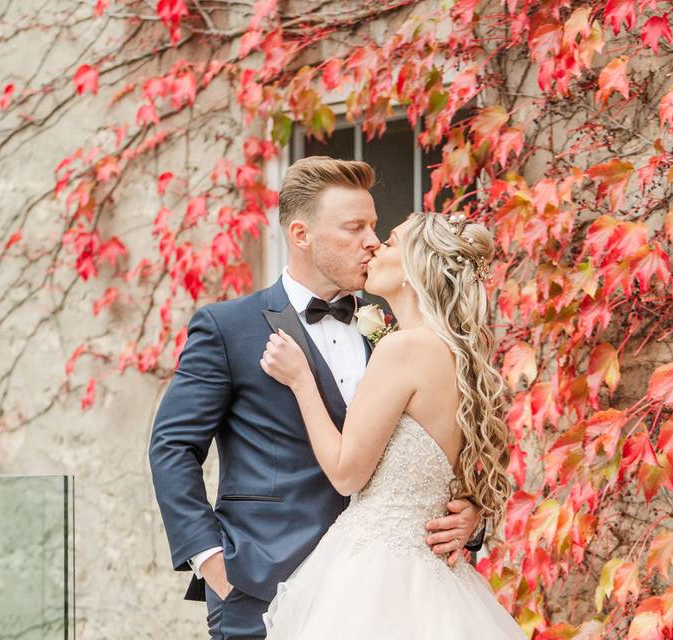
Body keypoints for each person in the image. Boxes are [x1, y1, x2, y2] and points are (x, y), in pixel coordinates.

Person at [148, 157, 485, 640]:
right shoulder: (228, 328)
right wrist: (212, 563)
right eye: (354, 227)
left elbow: (447, 444)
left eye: (374, 226)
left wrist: (469, 516)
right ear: (301, 234)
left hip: (386, 595)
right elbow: (172, 449)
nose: (372, 239)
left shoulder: (395, 327)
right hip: (263, 588)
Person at [259, 211, 526, 638]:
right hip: (436, 580)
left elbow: (347, 475)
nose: (375, 247)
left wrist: (301, 381)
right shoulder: (459, 358)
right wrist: (472, 511)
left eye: (391, 241)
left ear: (416, 266)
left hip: (375, 575)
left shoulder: (402, 349)